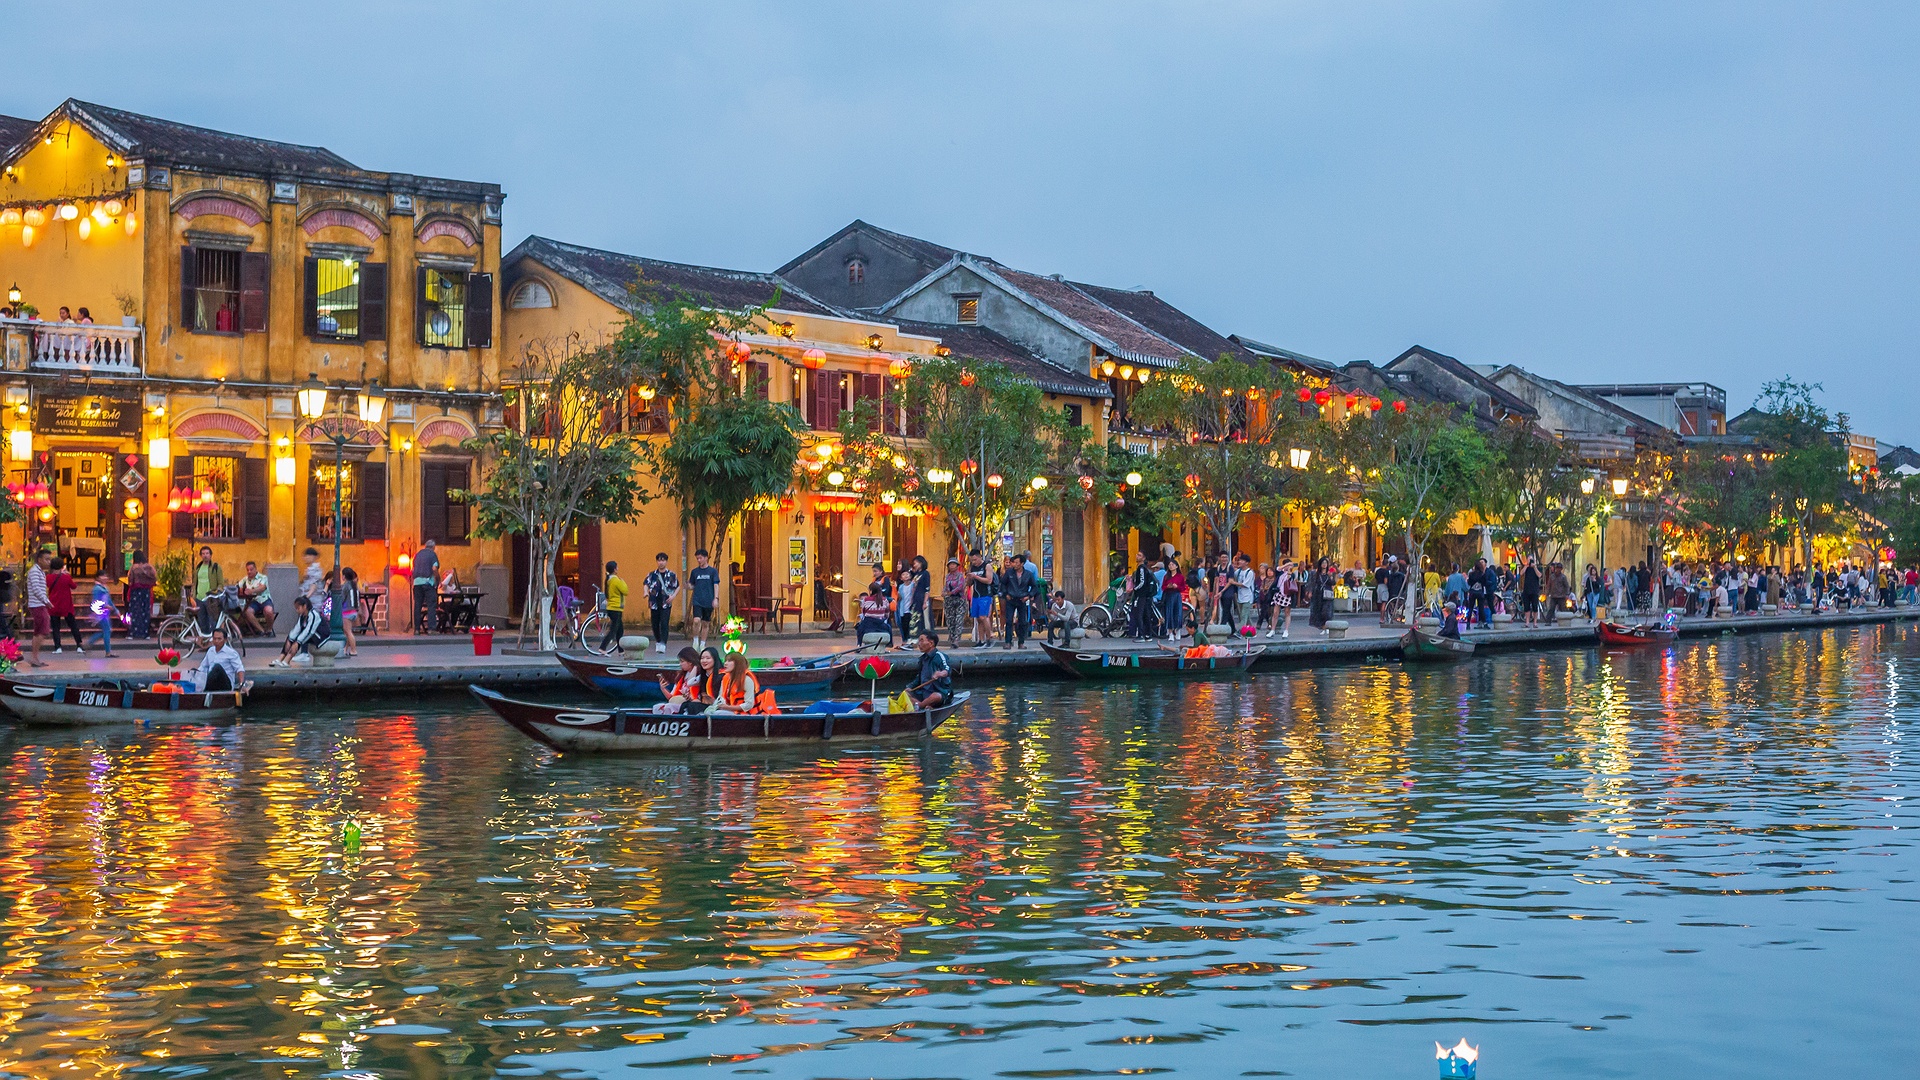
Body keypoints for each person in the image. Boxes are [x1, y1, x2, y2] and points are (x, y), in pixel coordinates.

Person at [272, 595, 328, 667]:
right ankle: (281, 657)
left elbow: (310, 631)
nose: (297, 610)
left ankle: (287, 659)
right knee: (292, 637)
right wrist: (290, 638)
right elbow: (297, 629)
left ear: (304, 606)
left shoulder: (313, 615)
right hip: (310, 634)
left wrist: (298, 642)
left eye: (298, 608)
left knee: (298, 640)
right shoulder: (302, 616)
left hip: (320, 636)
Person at [996, 553, 1036, 649]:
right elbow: (1002, 584)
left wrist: (1029, 596)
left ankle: (1021, 642)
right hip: (1011, 599)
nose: (1014, 564)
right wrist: (1006, 594)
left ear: (1022, 564)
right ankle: (1008, 642)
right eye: (1013, 562)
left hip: (1022, 600)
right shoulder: (1009, 573)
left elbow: (1035, 587)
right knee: (1009, 621)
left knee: (1022, 621)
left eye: (1016, 562)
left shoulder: (1028, 574)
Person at [644, 552, 680, 655]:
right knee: (655, 624)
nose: (661, 562)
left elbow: (677, 586)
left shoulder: (671, 575)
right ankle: (658, 641)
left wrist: (673, 596)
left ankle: (663, 643)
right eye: (659, 560)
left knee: (664, 623)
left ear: (666, 561)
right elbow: (646, 584)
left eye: (663, 560)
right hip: (654, 602)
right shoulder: (652, 574)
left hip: (666, 603)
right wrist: (646, 592)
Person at [686, 548, 721, 650]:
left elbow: (716, 585)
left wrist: (716, 598)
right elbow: (692, 585)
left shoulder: (712, 571)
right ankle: (695, 640)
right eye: (697, 558)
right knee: (696, 620)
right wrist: (687, 586)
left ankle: (702, 643)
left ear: (706, 558)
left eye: (700, 558)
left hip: (708, 600)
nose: (699, 560)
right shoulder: (694, 572)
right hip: (697, 600)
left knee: (706, 623)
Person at [191, 626, 246, 691]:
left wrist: (242, 684)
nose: (216, 641)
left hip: (225, 684)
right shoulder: (210, 650)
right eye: (214, 639)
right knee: (193, 671)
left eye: (219, 639)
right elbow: (203, 667)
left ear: (225, 640)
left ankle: (204, 688)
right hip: (212, 682)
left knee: (217, 668)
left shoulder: (231, 653)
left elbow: (239, 669)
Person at [652, 646, 702, 714]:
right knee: (657, 707)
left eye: (682, 661)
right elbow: (671, 698)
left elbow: (691, 683)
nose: (680, 664)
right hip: (678, 704)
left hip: (691, 706)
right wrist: (663, 688)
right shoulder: (681, 676)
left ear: (690, 662)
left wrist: (695, 667)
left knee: (668, 707)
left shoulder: (700, 676)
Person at [910, 628, 952, 708]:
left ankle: (920, 706)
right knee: (906, 693)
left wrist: (940, 673)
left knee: (936, 696)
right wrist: (909, 687)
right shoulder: (922, 659)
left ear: (931, 643)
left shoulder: (939, 656)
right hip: (924, 692)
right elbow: (919, 678)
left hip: (939, 692)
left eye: (922, 641)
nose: (919, 644)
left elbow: (947, 669)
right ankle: (925, 705)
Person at [47, 556, 81, 653]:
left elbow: (48, 586)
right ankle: (79, 644)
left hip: (53, 605)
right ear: (62, 566)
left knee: (55, 627)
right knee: (73, 625)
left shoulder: (48, 577)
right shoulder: (66, 577)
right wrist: (68, 575)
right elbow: (74, 586)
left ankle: (58, 647)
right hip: (66, 605)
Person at [24, 548, 50, 667]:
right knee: (42, 631)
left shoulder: (40, 572)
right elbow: (36, 589)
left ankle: (35, 658)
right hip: (38, 605)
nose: (48, 562)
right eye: (46, 559)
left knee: (39, 631)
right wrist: (46, 601)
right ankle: (34, 657)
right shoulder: (34, 571)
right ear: (39, 560)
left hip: (39, 604)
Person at [238, 560, 275, 635]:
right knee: (247, 612)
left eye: (251, 569)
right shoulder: (245, 579)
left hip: (264, 599)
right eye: (247, 570)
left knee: (269, 611)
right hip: (253, 601)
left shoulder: (263, 577)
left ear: (255, 569)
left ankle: (269, 629)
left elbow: (262, 588)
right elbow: (239, 586)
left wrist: (251, 591)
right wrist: (241, 590)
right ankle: (261, 630)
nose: (249, 572)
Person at [966, 552, 995, 647]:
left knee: (983, 616)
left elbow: (989, 580)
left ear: (979, 557)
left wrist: (976, 577)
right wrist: (969, 578)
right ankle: (981, 640)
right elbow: (969, 583)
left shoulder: (987, 566)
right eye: (972, 560)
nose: (974, 562)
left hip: (985, 594)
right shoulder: (972, 567)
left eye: (975, 560)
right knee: (978, 618)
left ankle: (989, 637)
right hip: (976, 595)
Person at [86, 571, 118, 656]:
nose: (105, 578)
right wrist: (106, 606)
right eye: (102, 576)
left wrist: (116, 610)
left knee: (106, 631)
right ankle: (108, 652)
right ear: (98, 578)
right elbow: (96, 601)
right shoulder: (97, 589)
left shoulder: (105, 588)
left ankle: (89, 642)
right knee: (107, 630)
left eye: (106, 576)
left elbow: (109, 601)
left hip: (105, 613)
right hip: (100, 613)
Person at [411, 538, 439, 633]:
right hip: (427, 583)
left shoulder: (417, 555)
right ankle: (431, 629)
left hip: (416, 583)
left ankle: (417, 629)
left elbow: (412, 569)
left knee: (417, 606)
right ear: (433, 547)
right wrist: (437, 579)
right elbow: (434, 568)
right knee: (431, 605)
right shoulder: (432, 554)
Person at [127, 550, 156, 640]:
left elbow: (130, 579)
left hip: (136, 591)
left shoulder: (134, 567)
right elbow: (155, 577)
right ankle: (146, 633)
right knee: (145, 611)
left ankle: (134, 632)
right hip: (146, 591)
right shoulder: (149, 567)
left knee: (135, 612)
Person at [332, 567, 361, 657]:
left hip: (347, 612)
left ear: (344, 576)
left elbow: (342, 598)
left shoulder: (345, 586)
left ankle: (353, 650)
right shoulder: (354, 585)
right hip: (354, 611)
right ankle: (345, 649)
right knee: (348, 632)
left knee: (348, 632)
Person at [600, 560, 627, 652]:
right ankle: (602, 647)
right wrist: (622, 581)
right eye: (617, 567)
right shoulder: (616, 580)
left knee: (620, 630)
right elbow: (625, 591)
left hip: (612, 608)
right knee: (613, 630)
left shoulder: (609, 580)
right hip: (616, 608)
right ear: (615, 569)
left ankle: (621, 651)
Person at [942, 557, 968, 647]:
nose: (952, 566)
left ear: (957, 566)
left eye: (954, 564)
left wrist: (951, 592)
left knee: (958, 619)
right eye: (950, 564)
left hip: (959, 599)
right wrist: (944, 592)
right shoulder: (948, 576)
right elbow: (945, 586)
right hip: (949, 600)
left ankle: (957, 639)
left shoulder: (960, 576)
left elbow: (960, 586)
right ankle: (952, 638)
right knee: (950, 620)